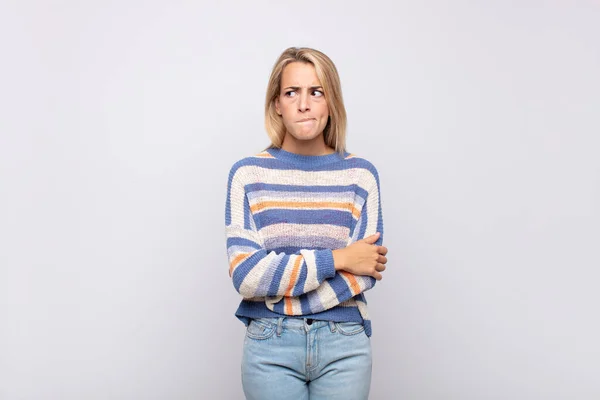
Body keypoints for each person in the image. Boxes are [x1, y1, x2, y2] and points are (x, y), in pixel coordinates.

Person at [224, 46, 388, 400]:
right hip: (270, 345)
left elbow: (365, 271)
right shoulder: (248, 174)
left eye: (316, 91)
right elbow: (246, 276)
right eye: (291, 92)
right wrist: (338, 258)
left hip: (343, 345)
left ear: (332, 102)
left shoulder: (361, 175)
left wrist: (281, 296)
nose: (304, 104)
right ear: (276, 105)